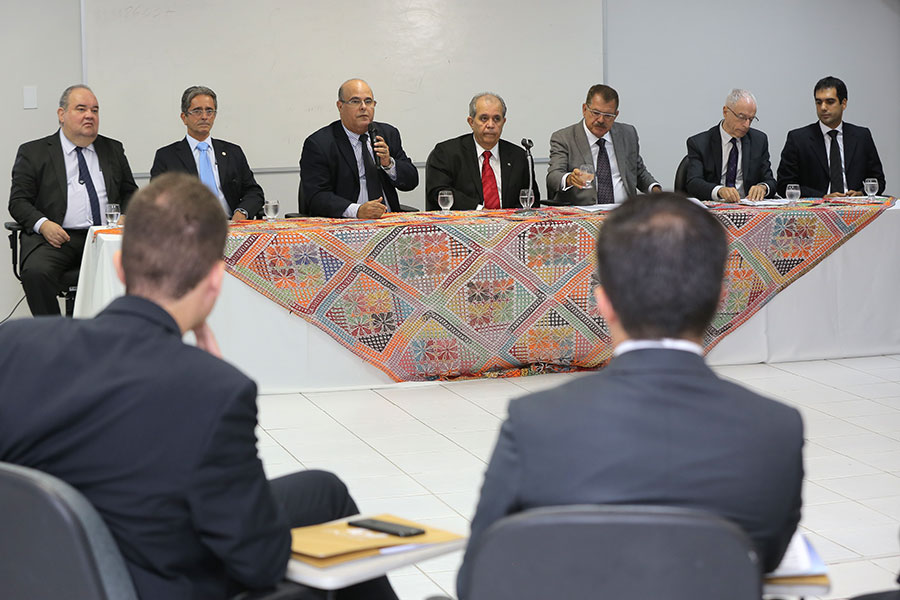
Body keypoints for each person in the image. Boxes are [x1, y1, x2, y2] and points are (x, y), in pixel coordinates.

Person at [0, 173, 398, 600]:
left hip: (37, 573)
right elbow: (260, 563)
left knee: (323, 490)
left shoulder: (12, 346)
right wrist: (208, 383)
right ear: (214, 281)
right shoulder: (214, 390)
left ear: (119, 266)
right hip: (154, 582)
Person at [456, 193, 804, 598]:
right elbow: (767, 561)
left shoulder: (535, 421)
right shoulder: (777, 429)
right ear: (719, 298)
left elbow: (477, 579)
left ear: (603, 301)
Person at [8, 84, 138, 316]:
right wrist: (43, 224)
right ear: (62, 115)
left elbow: (130, 191)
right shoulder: (34, 152)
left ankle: (121, 335)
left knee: (150, 266)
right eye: (81, 109)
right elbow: (18, 201)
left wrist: (126, 215)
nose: (90, 115)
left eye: (95, 110)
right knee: (36, 273)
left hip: (104, 236)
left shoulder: (112, 149)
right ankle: (56, 338)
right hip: (58, 239)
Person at [299, 79, 418, 218]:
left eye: (368, 102)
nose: (363, 107)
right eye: (355, 101)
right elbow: (316, 197)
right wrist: (357, 211)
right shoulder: (320, 143)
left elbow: (411, 181)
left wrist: (389, 164)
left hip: (387, 221)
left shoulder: (388, 134)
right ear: (340, 106)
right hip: (345, 224)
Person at [150, 85, 265, 220]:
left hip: (231, 225)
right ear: (184, 117)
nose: (204, 117)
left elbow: (254, 192)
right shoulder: (167, 156)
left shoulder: (233, 152)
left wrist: (241, 213)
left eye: (209, 111)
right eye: (197, 111)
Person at [547, 84, 660, 205]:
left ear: (615, 115)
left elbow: (638, 172)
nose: (601, 120)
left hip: (624, 213)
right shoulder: (564, 138)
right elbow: (553, 177)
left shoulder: (627, 134)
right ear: (584, 109)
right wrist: (570, 179)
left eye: (608, 115)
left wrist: (655, 190)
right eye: (596, 113)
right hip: (583, 214)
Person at [425, 92, 540, 210]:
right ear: (471, 122)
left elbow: (531, 201)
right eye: (484, 118)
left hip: (509, 225)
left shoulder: (519, 157)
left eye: (496, 119)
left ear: (503, 122)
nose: (490, 125)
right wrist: (479, 211)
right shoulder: (447, 153)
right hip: (463, 224)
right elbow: (439, 192)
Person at [777, 76, 886, 198]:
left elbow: (878, 180)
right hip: (815, 211)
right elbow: (784, 186)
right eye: (819, 102)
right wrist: (822, 197)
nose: (823, 107)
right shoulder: (798, 139)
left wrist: (861, 193)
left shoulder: (861, 136)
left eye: (830, 102)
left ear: (843, 103)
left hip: (857, 208)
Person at [685, 89, 776, 202]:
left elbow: (770, 181)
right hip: (714, 208)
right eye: (742, 117)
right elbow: (693, 182)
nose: (746, 125)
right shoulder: (699, 143)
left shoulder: (759, 140)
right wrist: (719, 190)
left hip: (748, 208)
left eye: (751, 119)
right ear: (725, 112)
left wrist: (763, 187)